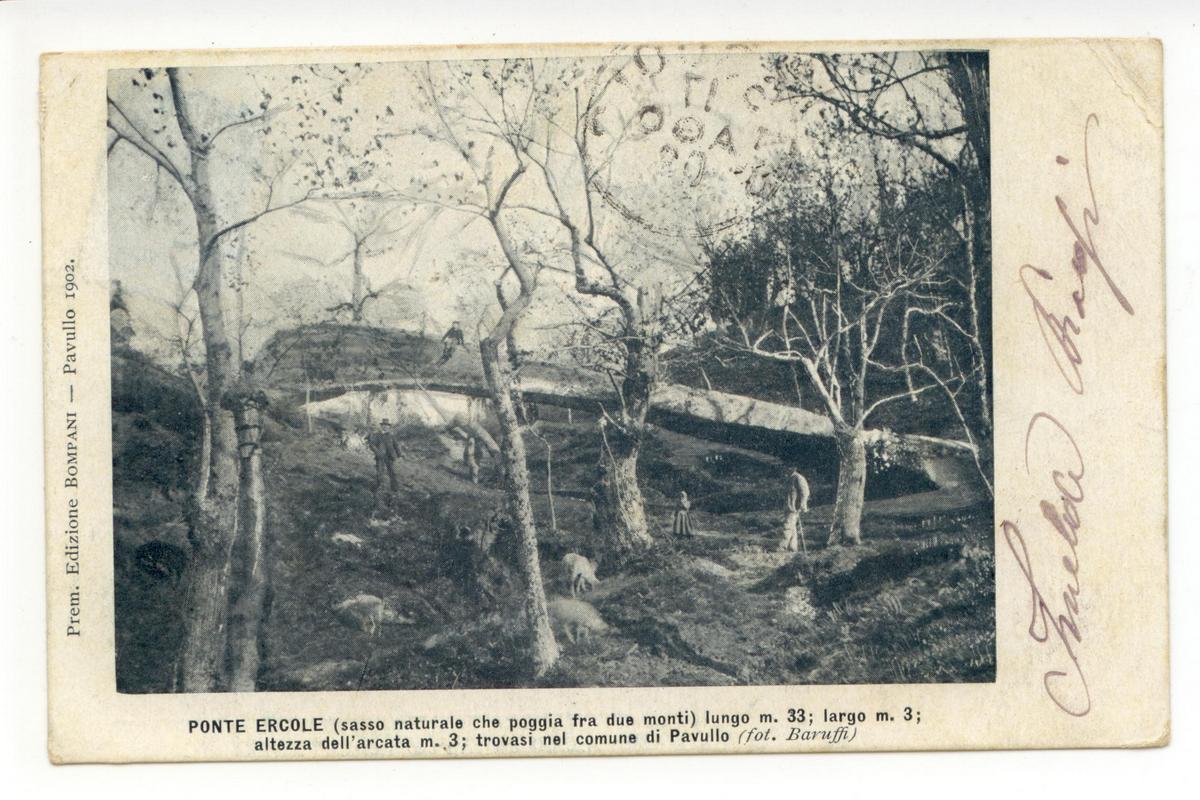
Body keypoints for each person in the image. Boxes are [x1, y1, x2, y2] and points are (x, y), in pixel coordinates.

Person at [368, 419, 401, 507]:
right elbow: (372, 444)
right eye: (384, 425)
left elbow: (396, 445)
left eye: (387, 425)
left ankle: (395, 489)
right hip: (380, 457)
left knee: (392, 473)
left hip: (390, 457)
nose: (385, 427)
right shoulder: (377, 435)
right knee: (380, 473)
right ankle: (378, 488)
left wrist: (399, 454)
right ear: (381, 426)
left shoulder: (391, 436)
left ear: (389, 427)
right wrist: (377, 452)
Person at [779, 467, 811, 553]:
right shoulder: (790, 478)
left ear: (794, 468)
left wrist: (802, 504)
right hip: (789, 507)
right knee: (792, 527)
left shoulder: (798, 478)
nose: (786, 469)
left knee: (787, 526)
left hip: (794, 507)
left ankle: (782, 547)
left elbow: (805, 492)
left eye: (788, 467)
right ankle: (793, 547)